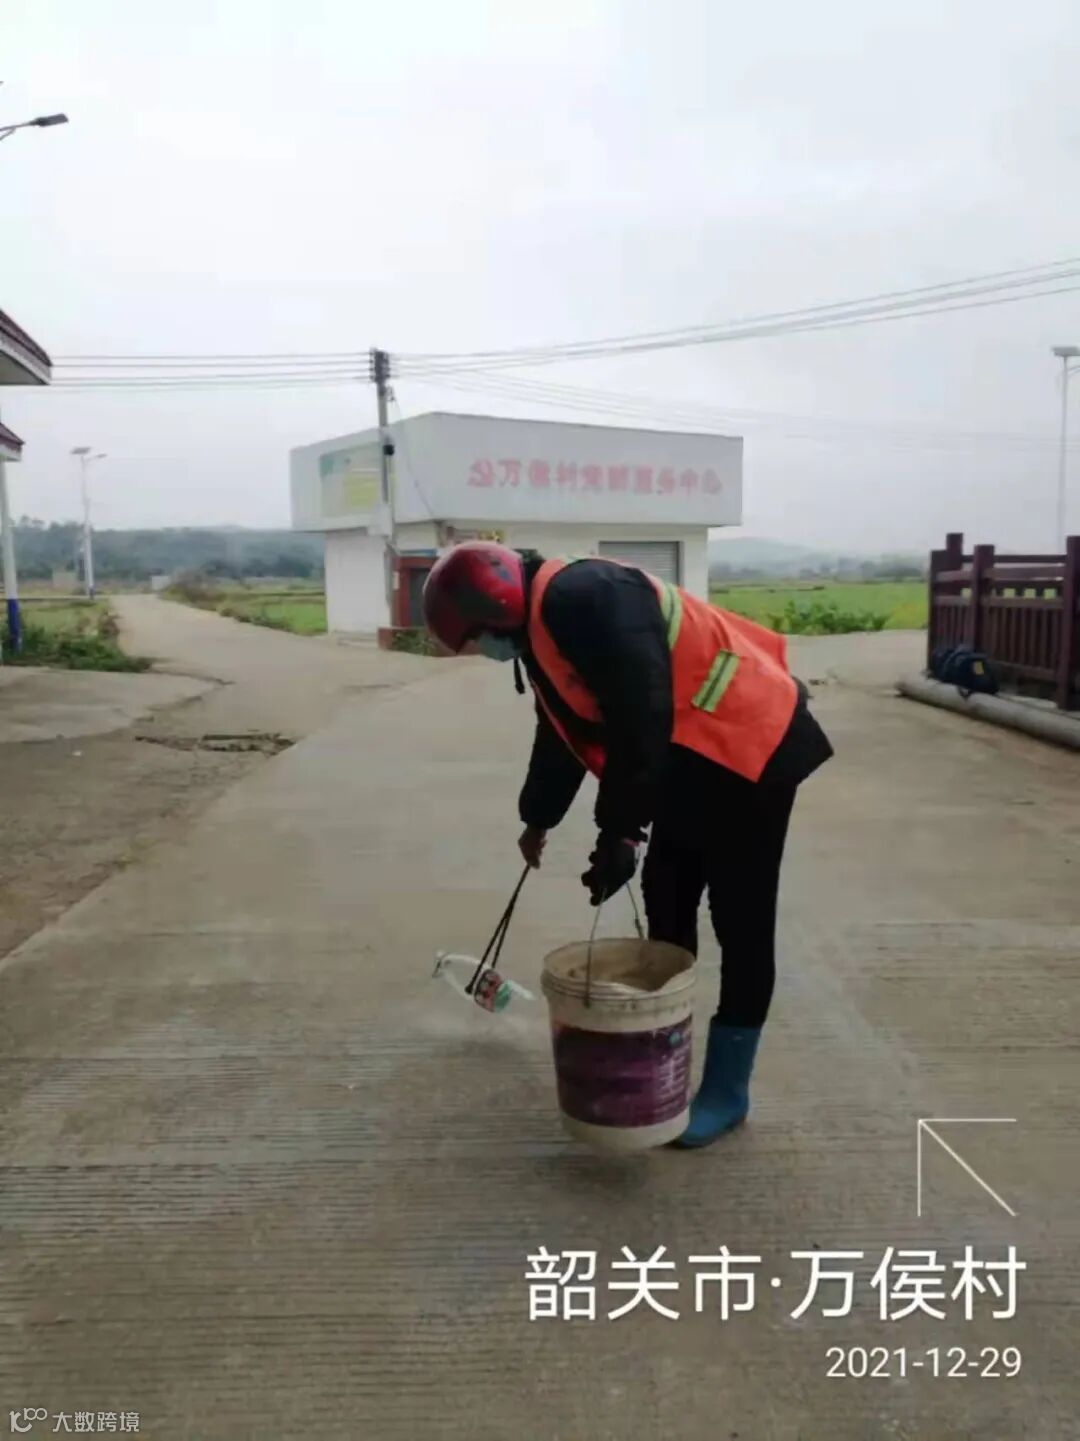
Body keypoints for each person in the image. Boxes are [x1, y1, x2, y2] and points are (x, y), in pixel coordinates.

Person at [422, 541, 833, 1148]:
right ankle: (662, 1057)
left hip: (752, 747)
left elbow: (640, 712)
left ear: (498, 608)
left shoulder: (584, 598)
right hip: (690, 758)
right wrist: (538, 818)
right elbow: (561, 725)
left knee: (740, 920)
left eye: (479, 637)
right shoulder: (539, 628)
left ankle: (728, 1091)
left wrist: (620, 830)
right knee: (667, 897)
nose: (484, 650)